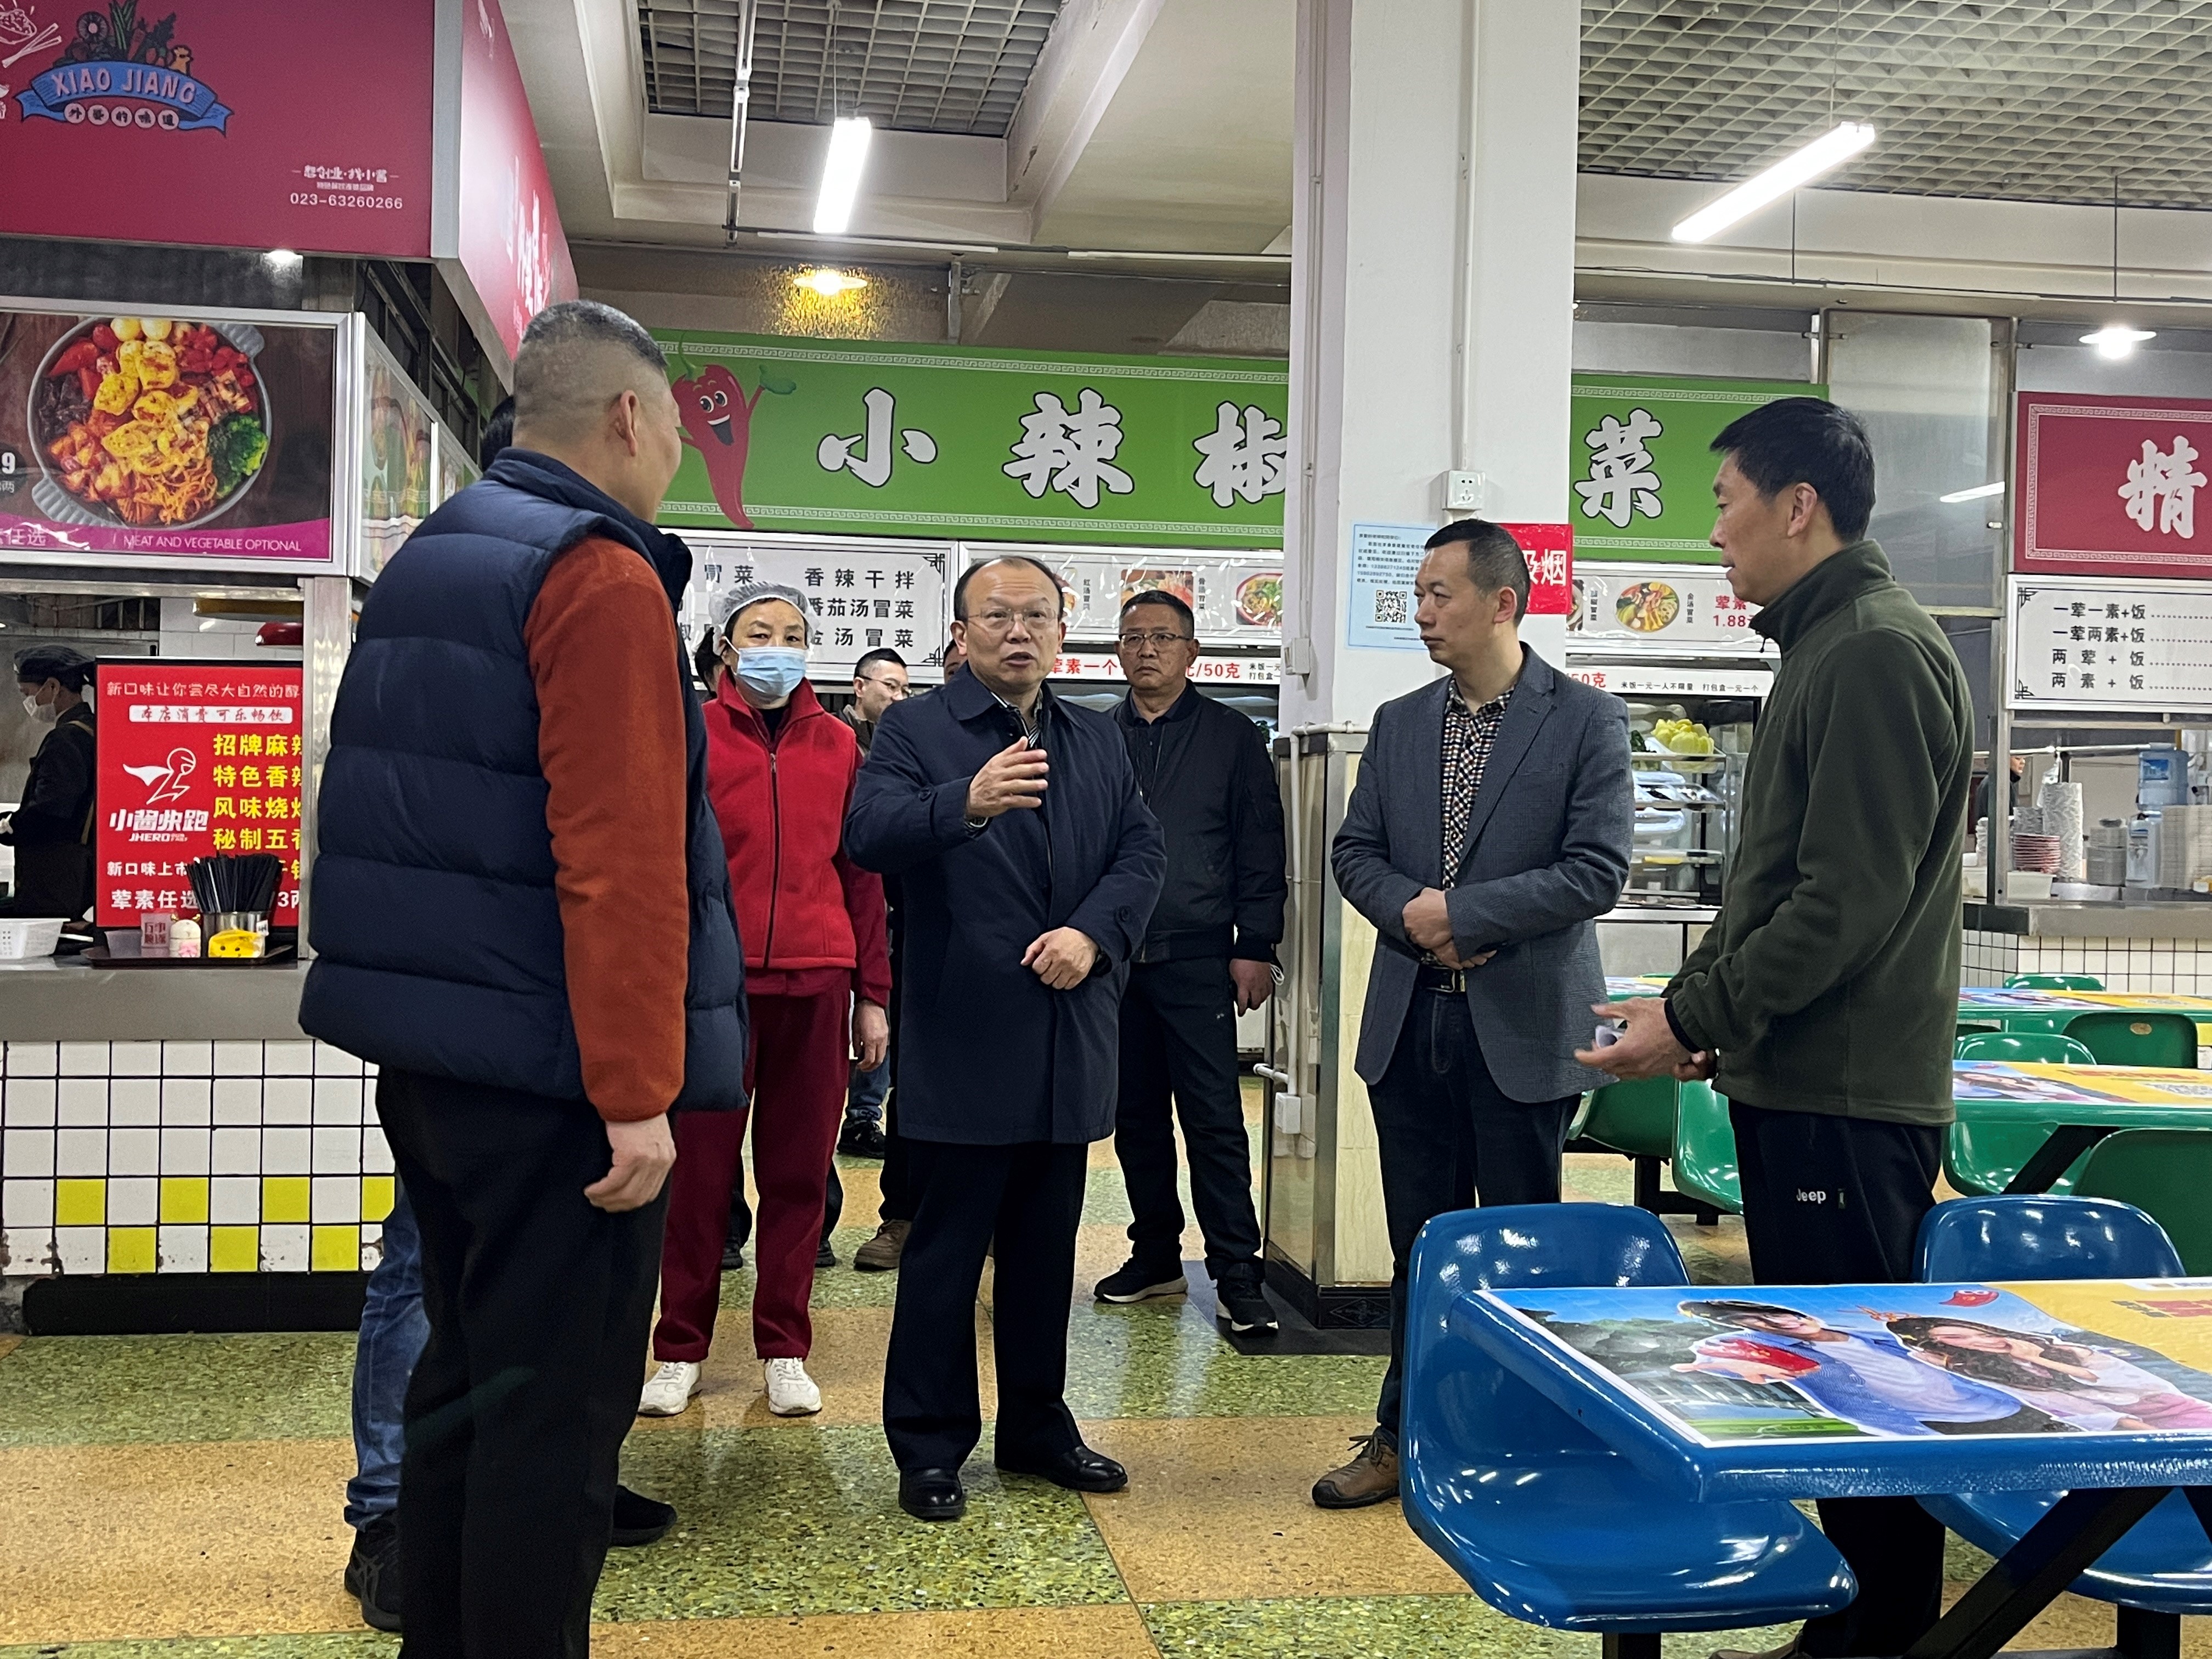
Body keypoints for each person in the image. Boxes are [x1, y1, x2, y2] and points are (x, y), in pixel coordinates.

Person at [301, 299, 749, 1656]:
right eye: (675, 434)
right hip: (560, 1081)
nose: (674, 458)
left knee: (464, 1384)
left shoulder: (439, 551)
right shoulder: (596, 572)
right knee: (554, 1427)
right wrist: (636, 1092)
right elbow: (619, 855)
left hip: (438, 1065)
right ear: (628, 417)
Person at [1581, 396, 1974, 1659]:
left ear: (1798, 506)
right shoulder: (1827, 645)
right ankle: (1859, 1618)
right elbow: (1784, 886)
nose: (1715, 533)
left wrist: (1694, 1013)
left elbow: (1843, 902)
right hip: (1802, 1079)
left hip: (1845, 1098)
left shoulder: (1871, 650)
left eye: (1726, 503)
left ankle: (1882, 1630)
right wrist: (1702, 1021)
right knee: (1830, 1376)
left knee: (1861, 1387)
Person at [1317, 518, 1633, 1510]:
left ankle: (1525, 1437)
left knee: (1521, 1250)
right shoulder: (1401, 721)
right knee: (1421, 1246)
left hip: (1523, 1030)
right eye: (1416, 593)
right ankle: (1407, 1432)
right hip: (1411, 1021)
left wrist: (1462, 914)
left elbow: (1596, 869)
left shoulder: (1585, 720)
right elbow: (1354, 851)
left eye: (1438, 593)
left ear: (1502, 603)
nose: (1420, 612)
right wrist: (1418, 920)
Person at [846, 554, 1165, 1523]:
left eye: (1036, 616)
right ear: (961, 632)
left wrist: (1093, 935)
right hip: (966, 1032)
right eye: (996, 616)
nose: (1018, 631)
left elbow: (1141, 851)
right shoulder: (917, 729)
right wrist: (964, 802)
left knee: (1043, 1249)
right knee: (945, 1255)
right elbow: (866, 834)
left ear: (1062, 632)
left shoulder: (1094, 735)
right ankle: (929, 1443)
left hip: (1069, 1032)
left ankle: (1036, 1425)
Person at [639, 582, 891, 1420]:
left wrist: (872, 995)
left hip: (819, 982)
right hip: (713, 989)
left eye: (791, 634)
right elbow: (661, 865)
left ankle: (785, 1346)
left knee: (798, 1176)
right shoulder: (692, 734)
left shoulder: (841, 745)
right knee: (698, 1179)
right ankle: (679, 1348)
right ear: (726, 647)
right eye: (759, 633)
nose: (776, 648)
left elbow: (862, 877)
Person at [1094, 590, 1285, 1334]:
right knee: (1135, 1119)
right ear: (1117, 651)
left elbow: (1260, 846)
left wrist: (1255, 944)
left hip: (1199, 957)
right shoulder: (1095, 735)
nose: (1147, 650)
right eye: (1133, 638)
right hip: (1114, 964)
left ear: (1191, 652)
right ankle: (1155, 1256)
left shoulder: (1232, 737)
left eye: (1163, 638)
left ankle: (1238, 1273)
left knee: (1213, 1121)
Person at [1679, 1301, 2060, 1437]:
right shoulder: (1762, 1347)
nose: (1781, 1325)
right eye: (1762, 1324)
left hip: (2008, 1407)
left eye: (1781, 1316)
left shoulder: (1870, 1332)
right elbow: (1722, 1354)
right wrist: (1727, 1362)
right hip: (1942, 1427)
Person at [839, 646, 910, 1160]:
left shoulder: (905, 747)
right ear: (860, 686)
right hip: (838, 902)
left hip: (887, 901)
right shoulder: (835, 741)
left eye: (906, 689)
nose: (899, 697)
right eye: (890, 686)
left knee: (877, 1009)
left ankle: (865, 1115)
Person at [4, 645, 98, 919]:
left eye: (27, 693)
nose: (28, 702)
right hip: (77, 881)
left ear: (53, 687)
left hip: (55, 884)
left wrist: (9, 826)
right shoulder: (92, 730)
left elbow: (50, 812)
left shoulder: (65, 739)